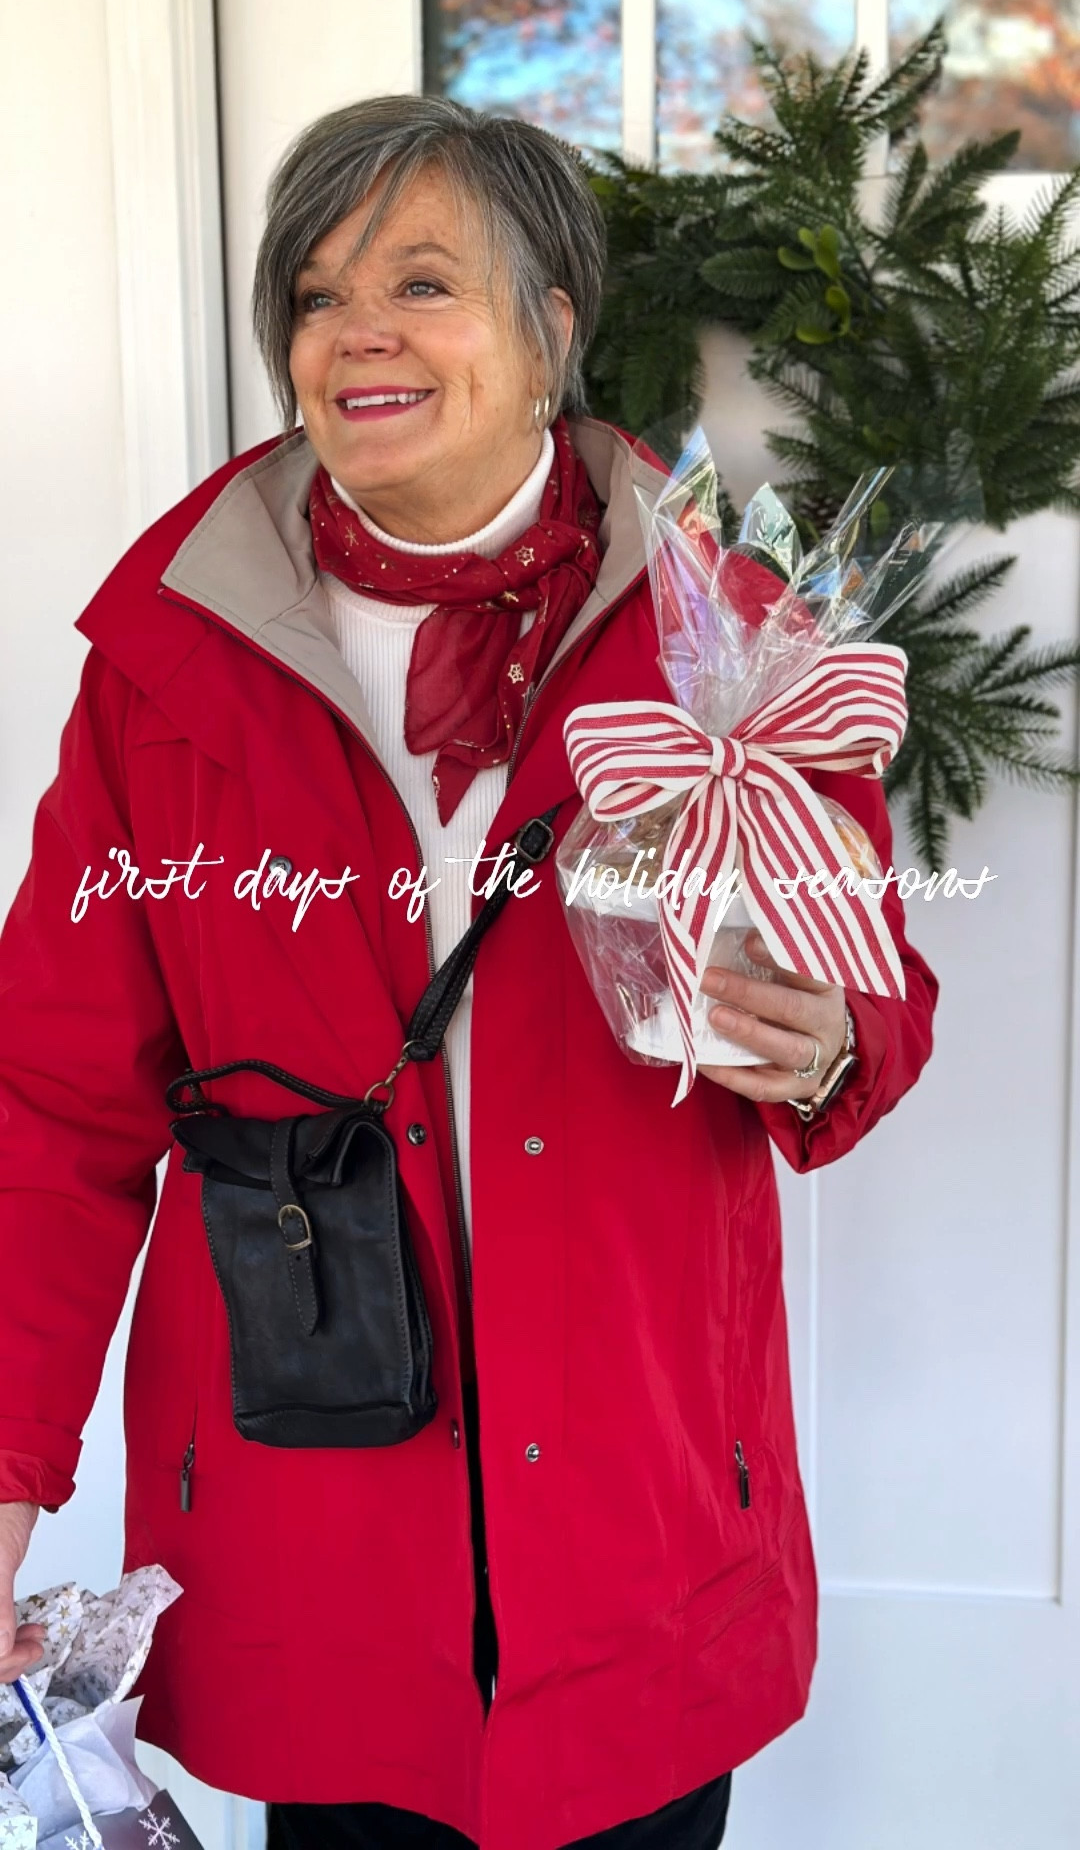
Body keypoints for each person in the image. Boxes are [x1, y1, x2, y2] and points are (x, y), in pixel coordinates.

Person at [0, 96, 938, 1850]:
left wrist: (825, 1044)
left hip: (645, 1510)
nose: (358, 331)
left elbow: (874, 982)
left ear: (551, 323)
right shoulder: (174, 659)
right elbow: (49, 1103)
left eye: (423, 283)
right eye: (318, 295)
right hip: (315, 1505)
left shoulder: (729, 630)